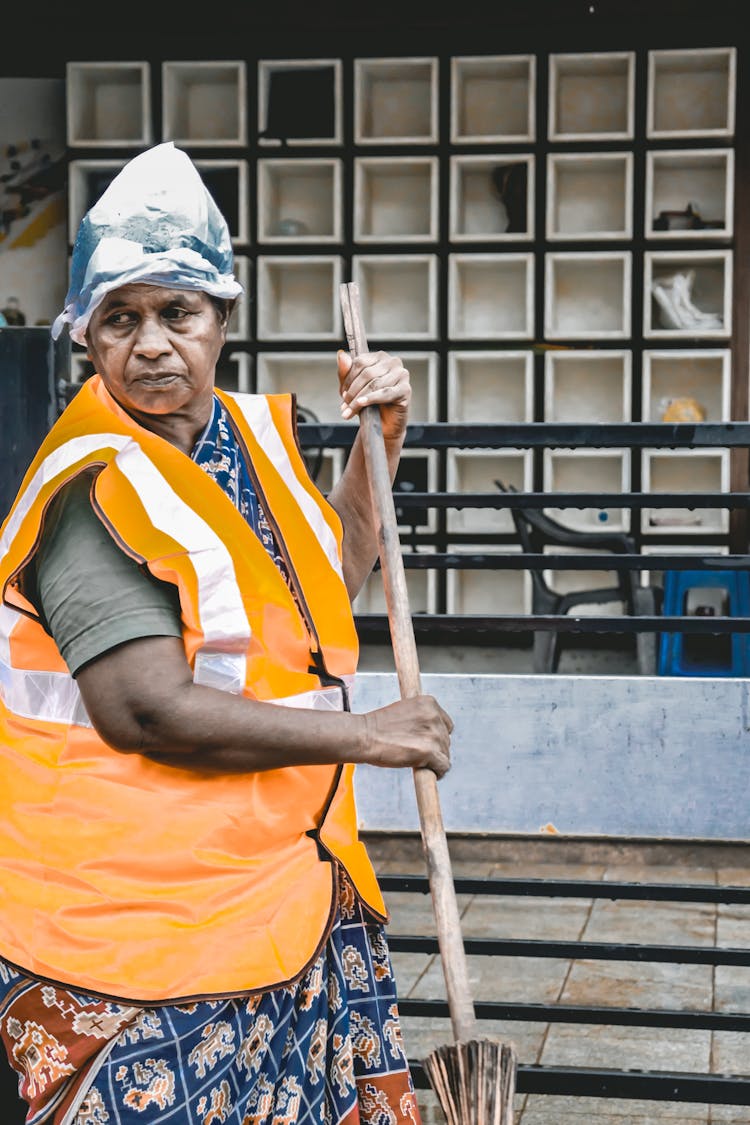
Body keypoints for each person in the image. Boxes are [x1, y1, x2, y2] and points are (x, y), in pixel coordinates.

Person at [0, 142, 453, 1124]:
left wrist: (381, 449)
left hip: (278, 880)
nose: (152, 343)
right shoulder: (94, 484)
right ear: (84, 334)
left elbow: (328, 584)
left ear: (223, 320)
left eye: (178, 312)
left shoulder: (248, 439)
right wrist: (371, 737)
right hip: (132, 925)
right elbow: (145, 711)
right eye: (120, 317)